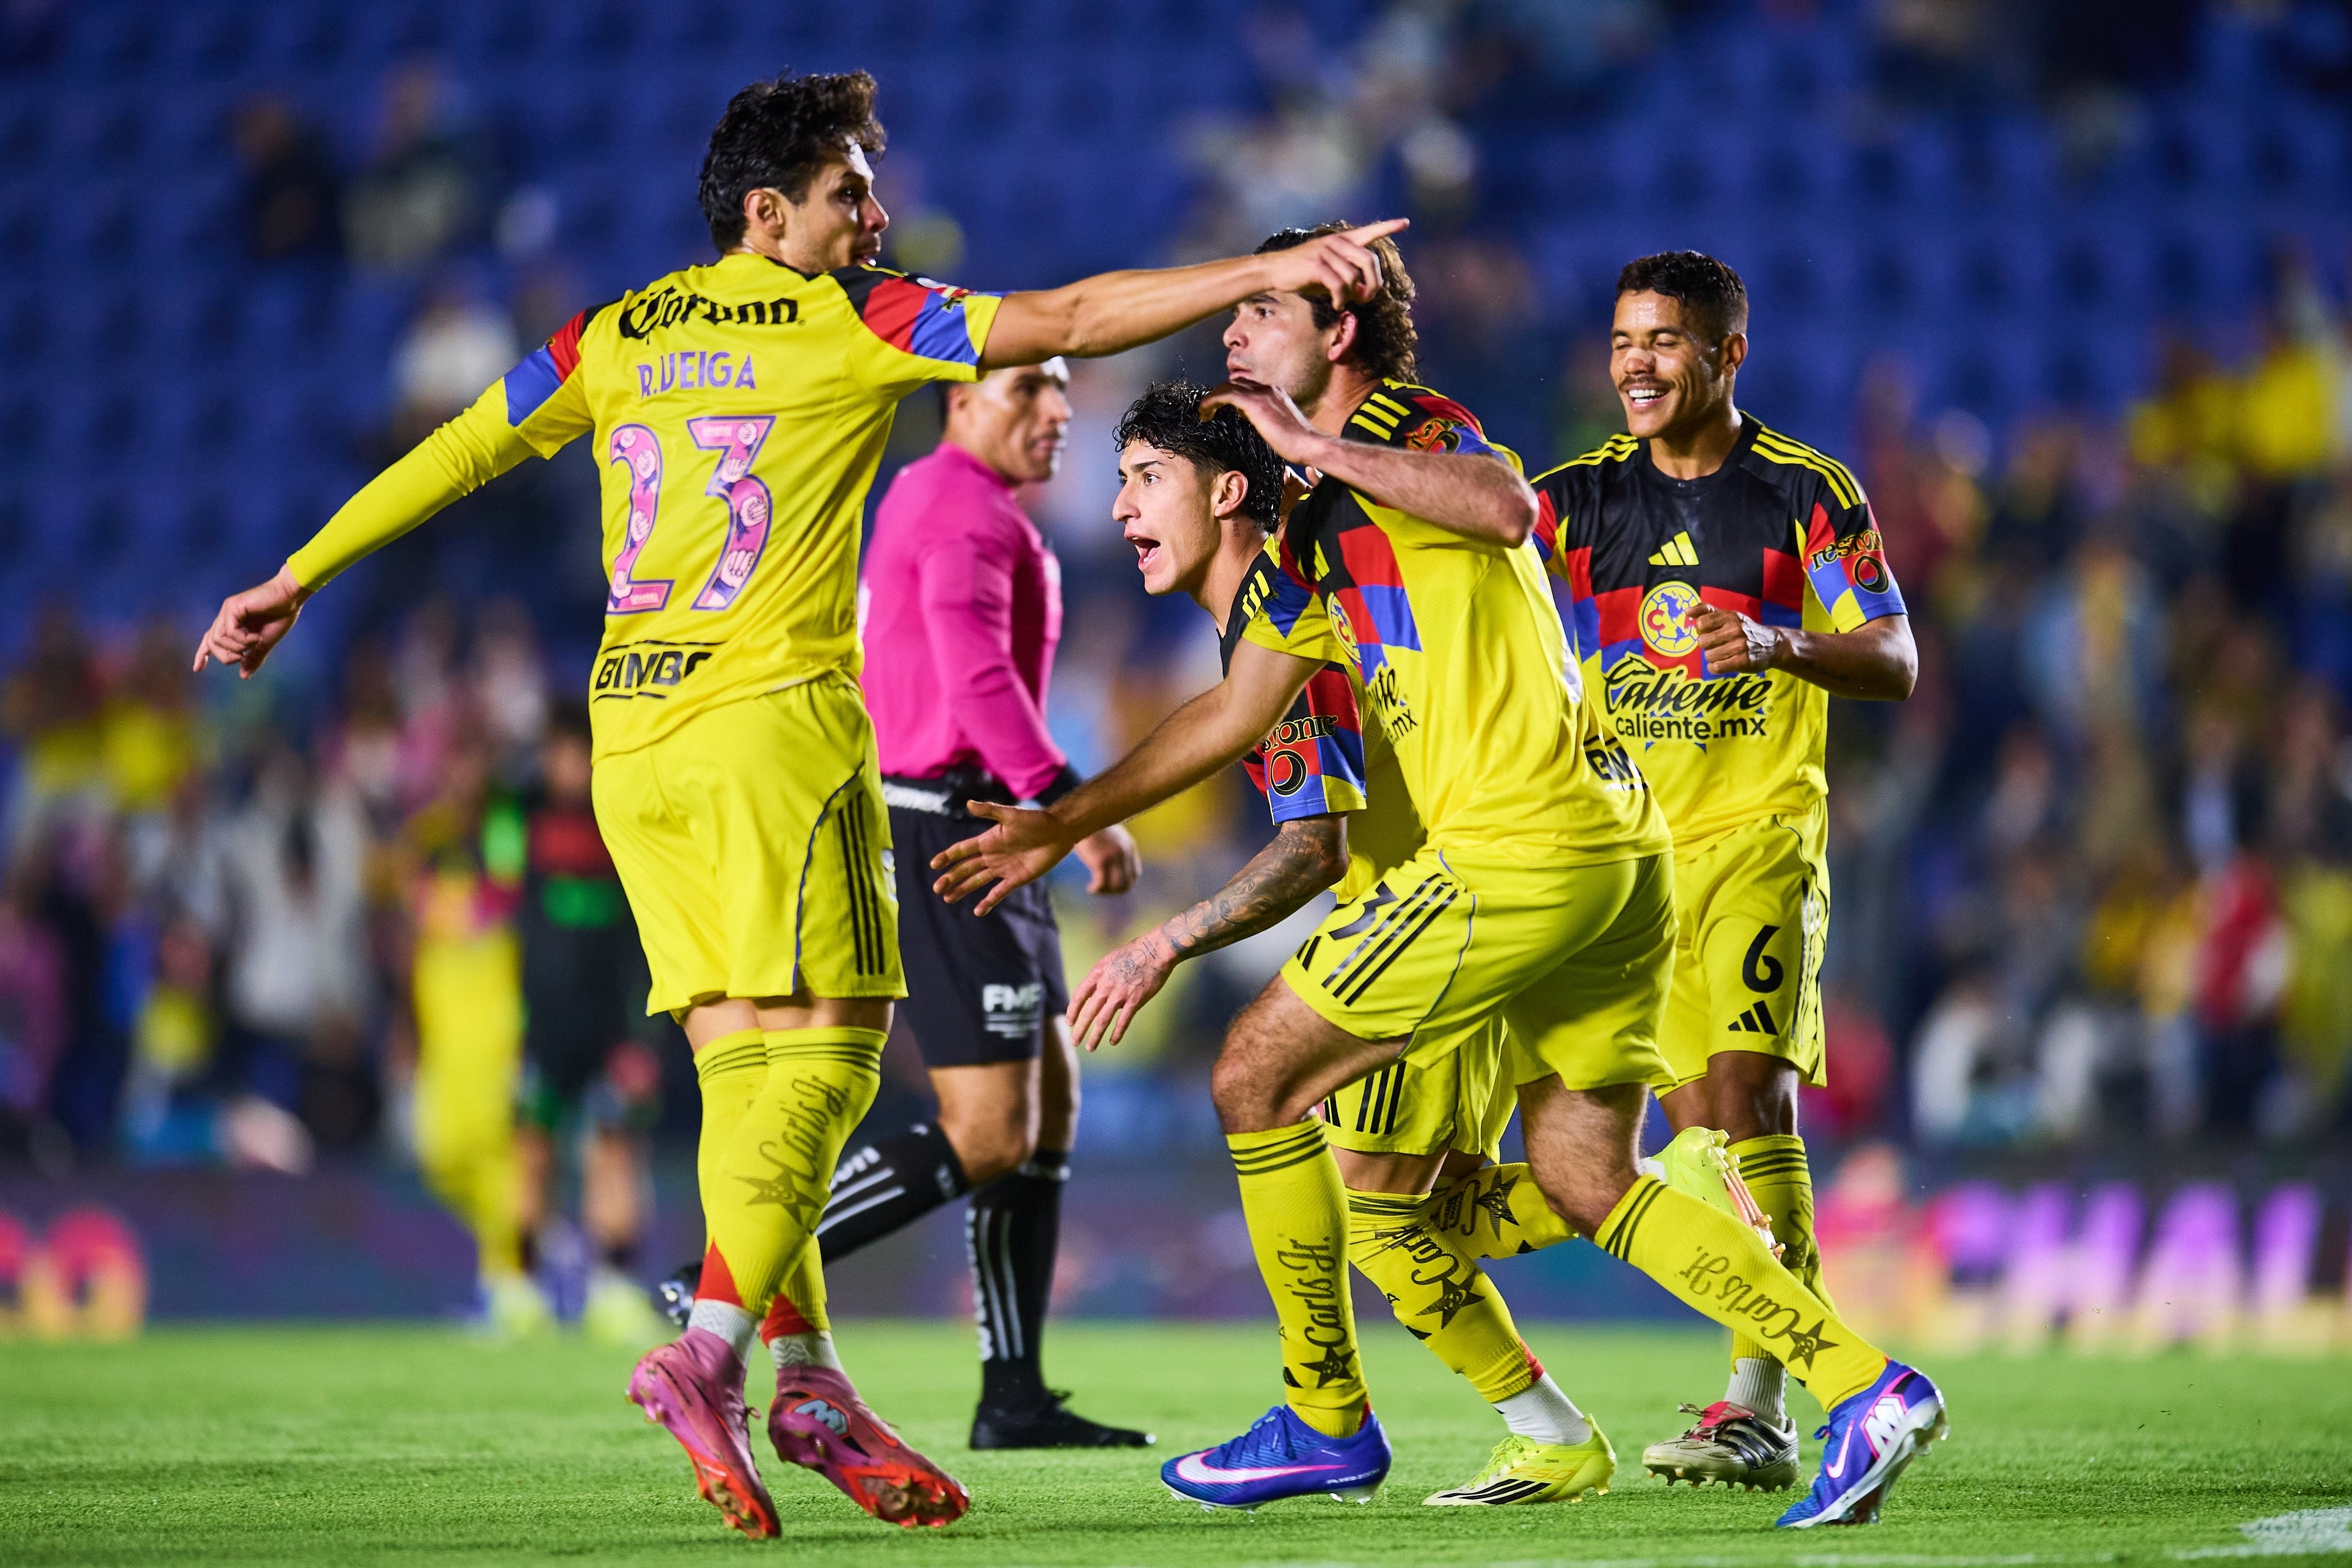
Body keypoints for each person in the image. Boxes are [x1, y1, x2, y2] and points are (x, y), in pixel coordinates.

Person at [193, 68, 1408, 1539]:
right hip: (773, 724)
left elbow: (463, 445)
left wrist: (296, 576)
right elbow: (1076, 320)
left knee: (734, 1073)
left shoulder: (616, 332)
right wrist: (1270, 266)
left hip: (632, 731)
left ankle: (807, 1374)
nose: (876, 213)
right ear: (770, 215)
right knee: (831, 1059)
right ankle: (704, 1357)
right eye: (850, 191)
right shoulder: (854, 318)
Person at [932, 221, 1947, 1530]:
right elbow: (1234, 711)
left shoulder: (1412, 427)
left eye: (1260, 314)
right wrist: (1061, 819)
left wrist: (1309, 445)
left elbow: (1506, 506)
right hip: (1609, 850)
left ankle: (1324, 1412)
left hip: (1517, 848)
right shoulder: (1310, 537)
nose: (1233, 335)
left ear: (1336, 333)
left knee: (1253, 1074)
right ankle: (1860, 1382)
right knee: (1585, 1173)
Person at [1080, 379, 1610, 1506]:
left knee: (1342, 1173)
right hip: (1459, 897)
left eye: (1144, 480)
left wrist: (1163, 941)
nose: (1119, 508)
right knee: (1412, 1210)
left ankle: (1337, 1417)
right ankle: (1567, 1383)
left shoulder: (1293, 624)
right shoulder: (1287, 610)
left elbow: (1312, 846)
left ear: (1227, 492)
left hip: (1434, 913)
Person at [1529, 252, 1917, 1494]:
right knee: (1700, 1133)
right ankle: (1791, 1396)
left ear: (1726, 354)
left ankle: (1760, 1398)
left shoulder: (1804, 493)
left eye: (1664, 341)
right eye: (1620, 339)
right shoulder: (1578, 501)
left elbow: (1893, 654)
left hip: (1756, 837)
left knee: (1742, 1097)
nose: (1635, 362)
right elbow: (1463, 563)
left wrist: (1775, 641)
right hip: (1629, 861)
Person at [827, 357, 1145, 1447]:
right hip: (953, 826)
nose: (1058, 412)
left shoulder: (948, 497)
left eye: (1062, 393)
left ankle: (1012, 1393)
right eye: (1029, 391)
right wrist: (1074, 810)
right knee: (991, 1129)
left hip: (972, 820)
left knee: (1045, 1108)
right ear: (960, 401)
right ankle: (722, 1278)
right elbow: (975, 680)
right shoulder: (961, 508)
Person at [513, 701, 668, 1347]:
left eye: (580, 752)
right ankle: (518, 1292)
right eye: (559, 753)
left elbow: (643, 930)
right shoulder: (518, 818)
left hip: (609, 1025)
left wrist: (640, 1033)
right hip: (541, 1024)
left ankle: (612, 1289)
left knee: (613, 1153)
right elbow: (504, 904)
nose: (569, 766)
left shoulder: (622, 819)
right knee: (531, 1154)